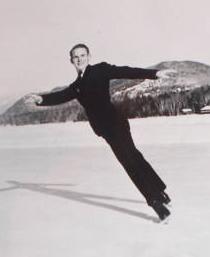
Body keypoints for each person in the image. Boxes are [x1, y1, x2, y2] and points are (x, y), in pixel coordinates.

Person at [25, 43, 173, 220]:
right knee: (133, 156)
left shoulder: (100, 70)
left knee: (129, 161)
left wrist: (153, 74)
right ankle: (160, 191)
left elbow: (125, 71)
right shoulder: (76, 85)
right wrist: (41, 99)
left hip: (116, 123)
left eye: (82, 55)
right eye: (75, 57)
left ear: (89, 56)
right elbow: (61, 96)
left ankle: (155, 202)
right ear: (71, 61)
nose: (79, 59)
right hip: (105, 129)